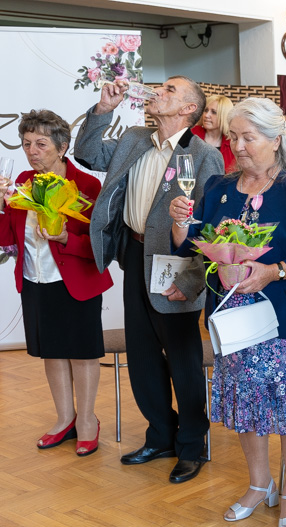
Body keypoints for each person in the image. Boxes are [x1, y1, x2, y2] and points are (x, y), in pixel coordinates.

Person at [170, 97, 286, 527]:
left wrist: (275, 271)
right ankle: (260, 483)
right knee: (248, 403)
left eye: (248, 137)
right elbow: (192, 248)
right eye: (233, 137)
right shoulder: (219, 188)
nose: (238, 146)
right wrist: (180, 224)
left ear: (275, 139)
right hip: (234, 319)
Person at [75, 76, 223, 483]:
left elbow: (209, 226)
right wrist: (103, 110)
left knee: (183, 359)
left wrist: (193, 279)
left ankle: (193, 444)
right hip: (134, 255)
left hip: (176, 263)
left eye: (171, 90)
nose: (160, 91)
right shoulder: (136, 138)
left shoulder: (205, 155)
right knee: (141, 357)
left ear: (188, 109)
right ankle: (161, 434)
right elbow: (87, 153)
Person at [0, 110, 112, 456]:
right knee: (52, 351)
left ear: (62, 147)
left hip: (76, 282)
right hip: (35, 280)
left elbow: (101, 247)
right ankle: (64, 419)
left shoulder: (88, 186)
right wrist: (2, 208)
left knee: (81, 353)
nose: (32, 151)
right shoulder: (22, 181)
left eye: (41, 144)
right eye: (26, 143)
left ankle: (88, 421)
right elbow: (7, 239)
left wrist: (65, 238)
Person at [191, 94, 236, 173]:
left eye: (214, 112)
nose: (207, 115)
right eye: (206, 110)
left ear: (224, 116)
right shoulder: (192, 134)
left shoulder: (232, 143)